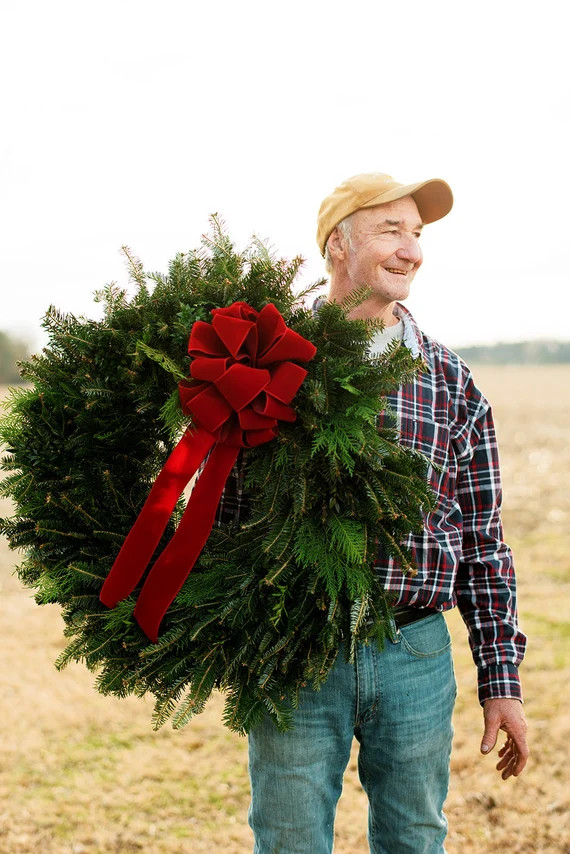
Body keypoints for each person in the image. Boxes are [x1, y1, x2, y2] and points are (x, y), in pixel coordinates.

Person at [243, 172, 529, 853]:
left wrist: (502, 681)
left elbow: (483, 539)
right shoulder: (269, 366)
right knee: (287, 841)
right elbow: (229, 511)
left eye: (417, 234)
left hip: (414, 652)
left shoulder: (450, 383)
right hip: (296, 650)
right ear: (338, 246)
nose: (412, 250)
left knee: (415, 839)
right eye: (390, 230)